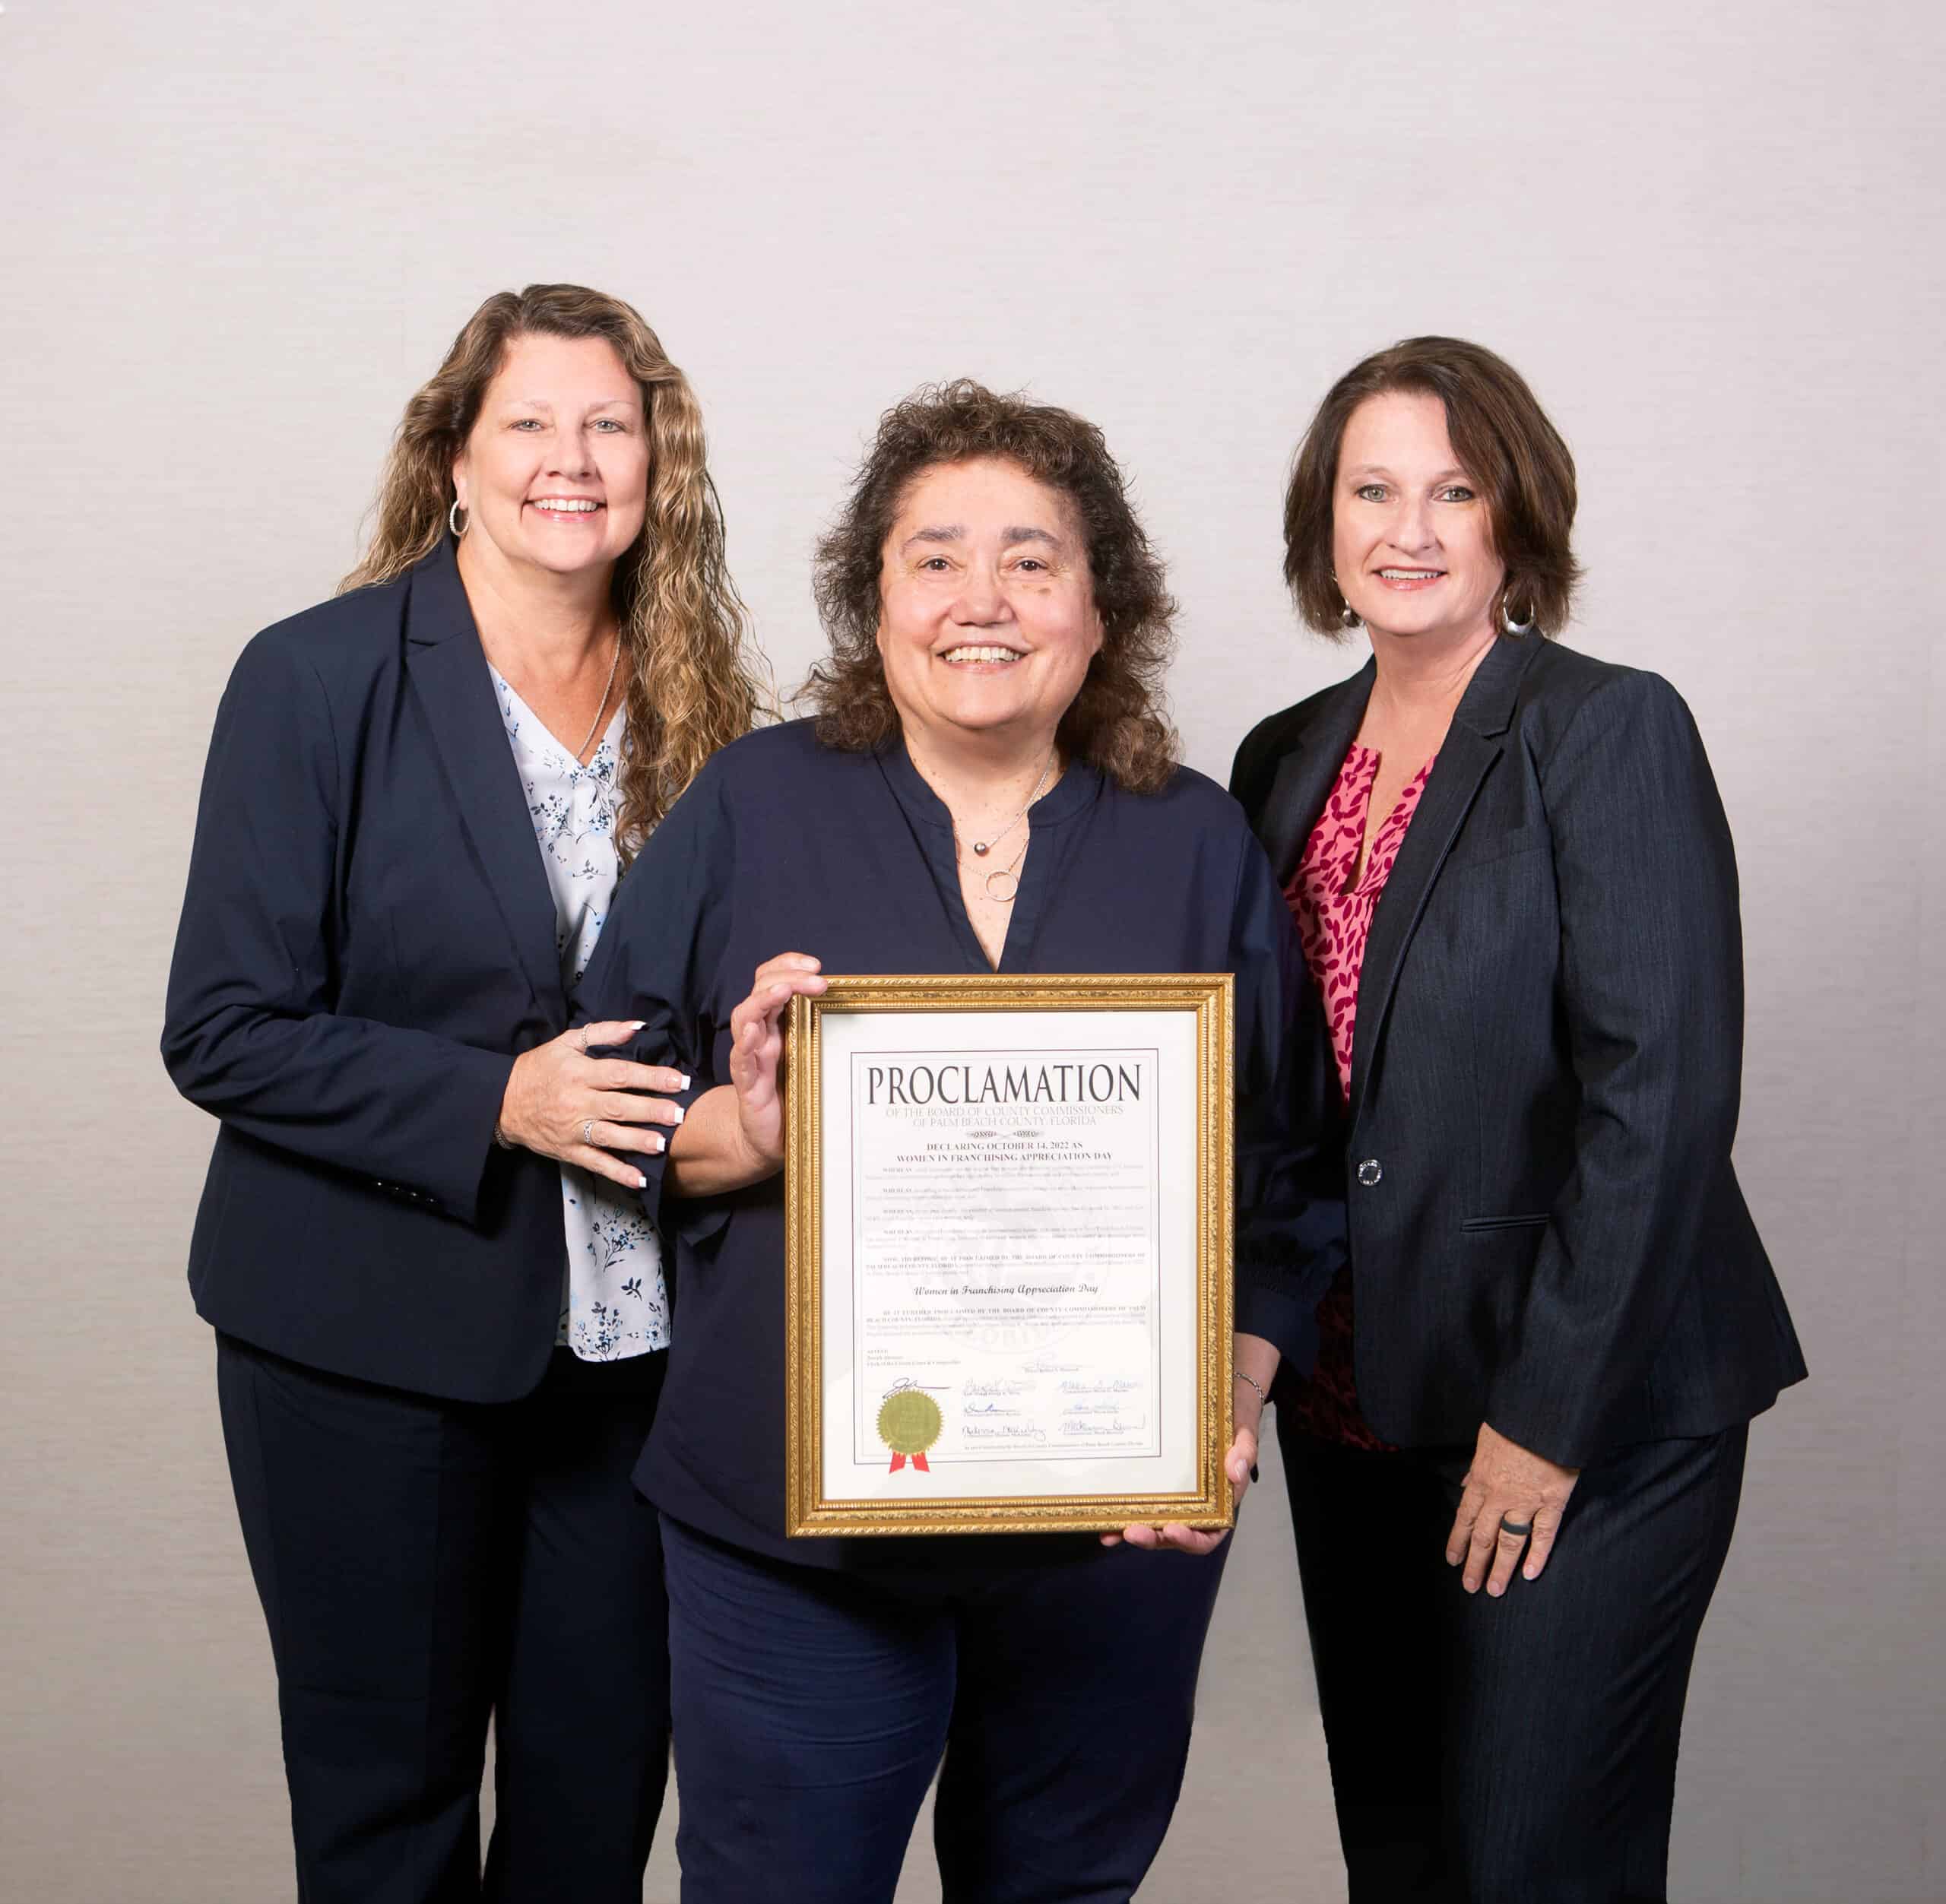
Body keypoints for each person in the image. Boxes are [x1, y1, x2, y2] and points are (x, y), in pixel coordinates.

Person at [573, 379, 1343, 1903]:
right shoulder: (751, 807)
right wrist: (753, 1124)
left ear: (1098, 609)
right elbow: (607, 1120)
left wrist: (1224, 1403)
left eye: (1029, 559)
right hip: (792, 1530)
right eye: (932, 557)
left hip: (1106, 1538)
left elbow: (1283, 1176)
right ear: (874, 603)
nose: (978, 599)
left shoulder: (1190, 839)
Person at [160, 284, 762, 1902]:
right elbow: (220, 1025)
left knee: (596, 1807)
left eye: (608, 426)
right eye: (530, 424)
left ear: (659, 463)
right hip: (367, 1342)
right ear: (454, 457)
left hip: (636, 1352)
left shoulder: (711, 705)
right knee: (389, 1808)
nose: (570, 461)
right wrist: (497, 1102)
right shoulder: (316, 677)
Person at [1230, 336, 1808, 1902]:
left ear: (1512, 519)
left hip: (1582, 1403)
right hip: (1356, 1396)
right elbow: (1275, 1093)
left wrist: (1544, 1422)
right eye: (1370, 488)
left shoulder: (1602, 729)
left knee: (1531, 1865)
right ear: (1321, 517)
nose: (1406, 526)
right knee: (1403, 1860)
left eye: (1452, 487)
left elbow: (1660, 1096)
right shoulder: (1280, 758)